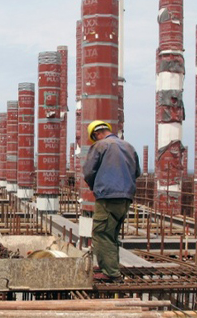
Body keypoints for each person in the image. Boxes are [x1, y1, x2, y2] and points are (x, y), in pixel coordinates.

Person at [82, 120, 140, 282]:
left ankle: (111, 273)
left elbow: (88, 171)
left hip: (107, 197)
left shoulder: (101, 146)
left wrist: (96, 186)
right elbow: (137, 172)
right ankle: (106, 265)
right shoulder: (129, 147)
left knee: (101, 233)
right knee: (112, 233)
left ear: (96, 134)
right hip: (125, 197)